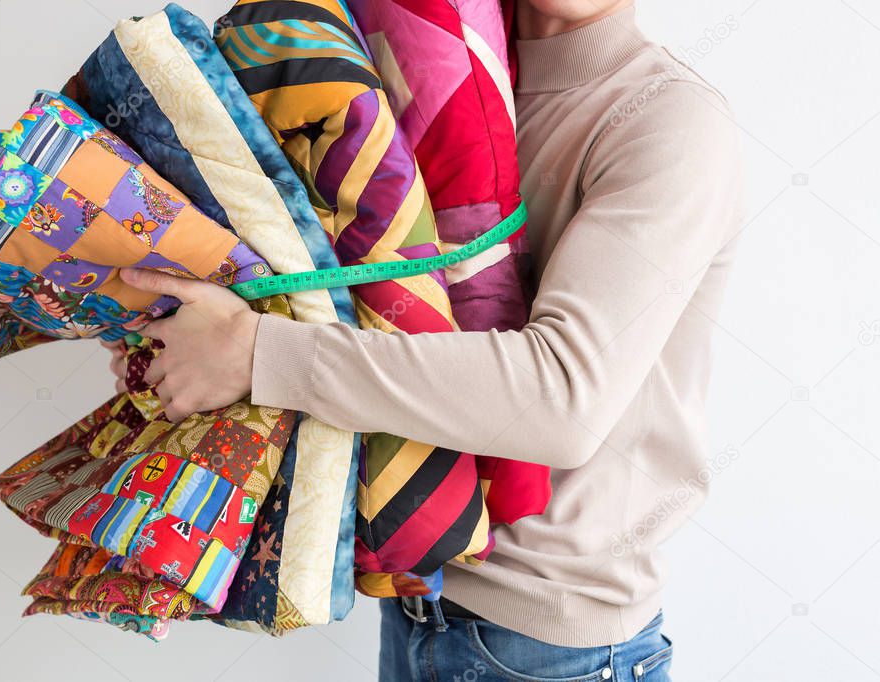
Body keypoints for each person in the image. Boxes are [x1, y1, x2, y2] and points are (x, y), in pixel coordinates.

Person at [104, 0, 742, 678]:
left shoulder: (667, 120)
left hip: (557, 646)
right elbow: (335, 292)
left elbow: (560, 401)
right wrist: (187, 335)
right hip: (409, 603)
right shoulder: (411, 65)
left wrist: (254, 354)